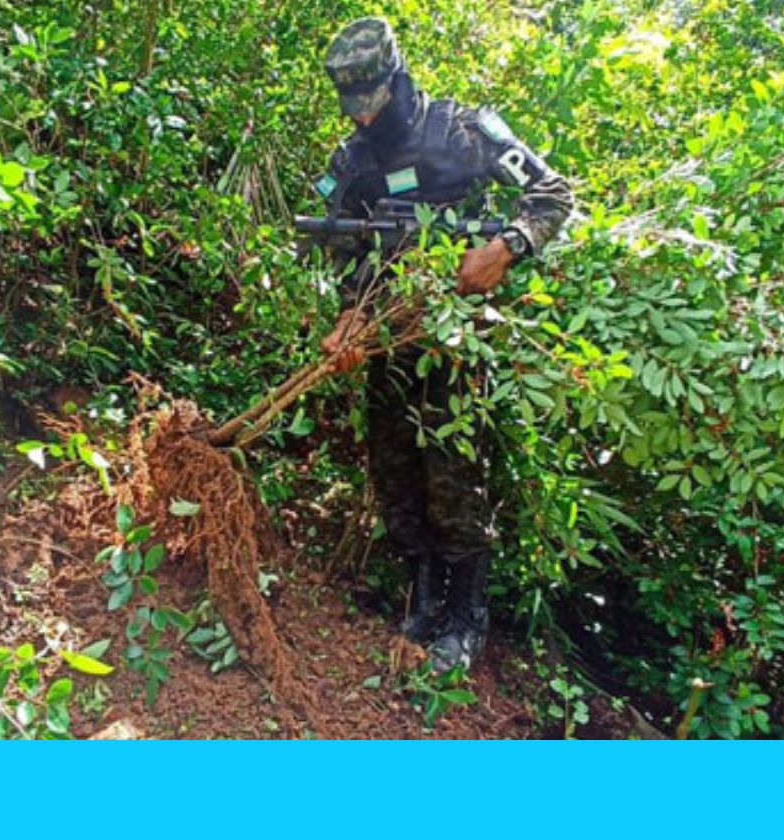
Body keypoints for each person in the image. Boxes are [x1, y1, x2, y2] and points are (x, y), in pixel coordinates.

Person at [312, 17, 573, 670]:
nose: (365, 122)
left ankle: (465, 618)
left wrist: (507, 248)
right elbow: (342, 248)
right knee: (394, 465)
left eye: (372, 105)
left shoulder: (465, 130)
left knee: (454, 469)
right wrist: (349, 316)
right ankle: (422, 598)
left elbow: (553, 193)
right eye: (354, 110)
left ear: (397, 80)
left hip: (460, 335)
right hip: (387, 334)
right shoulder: (352, 159)